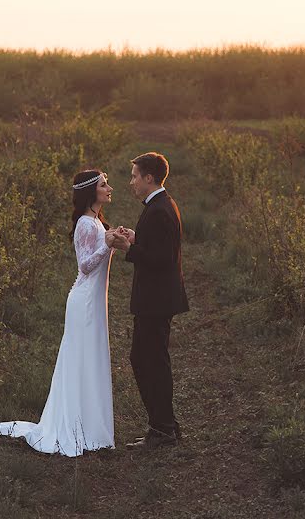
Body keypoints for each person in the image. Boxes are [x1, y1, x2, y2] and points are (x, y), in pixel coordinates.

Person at [0, 170, 117, 457]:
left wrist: (116, 239)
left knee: (91, 361)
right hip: (83, 303)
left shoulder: (96, 222)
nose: (110, 188)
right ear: (90, 193)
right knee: (80, 361)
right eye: (103, 185)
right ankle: (74, 427)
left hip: (94, 302)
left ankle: (91, 426)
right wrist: (107, 244)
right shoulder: (85, 224)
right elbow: (84, 266)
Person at [108, 152, 189, 450]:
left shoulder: (159, 209)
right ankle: (165, 426)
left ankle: (162, 429)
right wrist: (137, 236)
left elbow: (162, 259)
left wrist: (129, 246)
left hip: (155, 301)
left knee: (148, 361)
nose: (131, 182)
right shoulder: (159, 205)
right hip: (158, 299)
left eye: (134, 176)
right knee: (150, 360)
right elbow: (157, 246)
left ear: (149, 178)